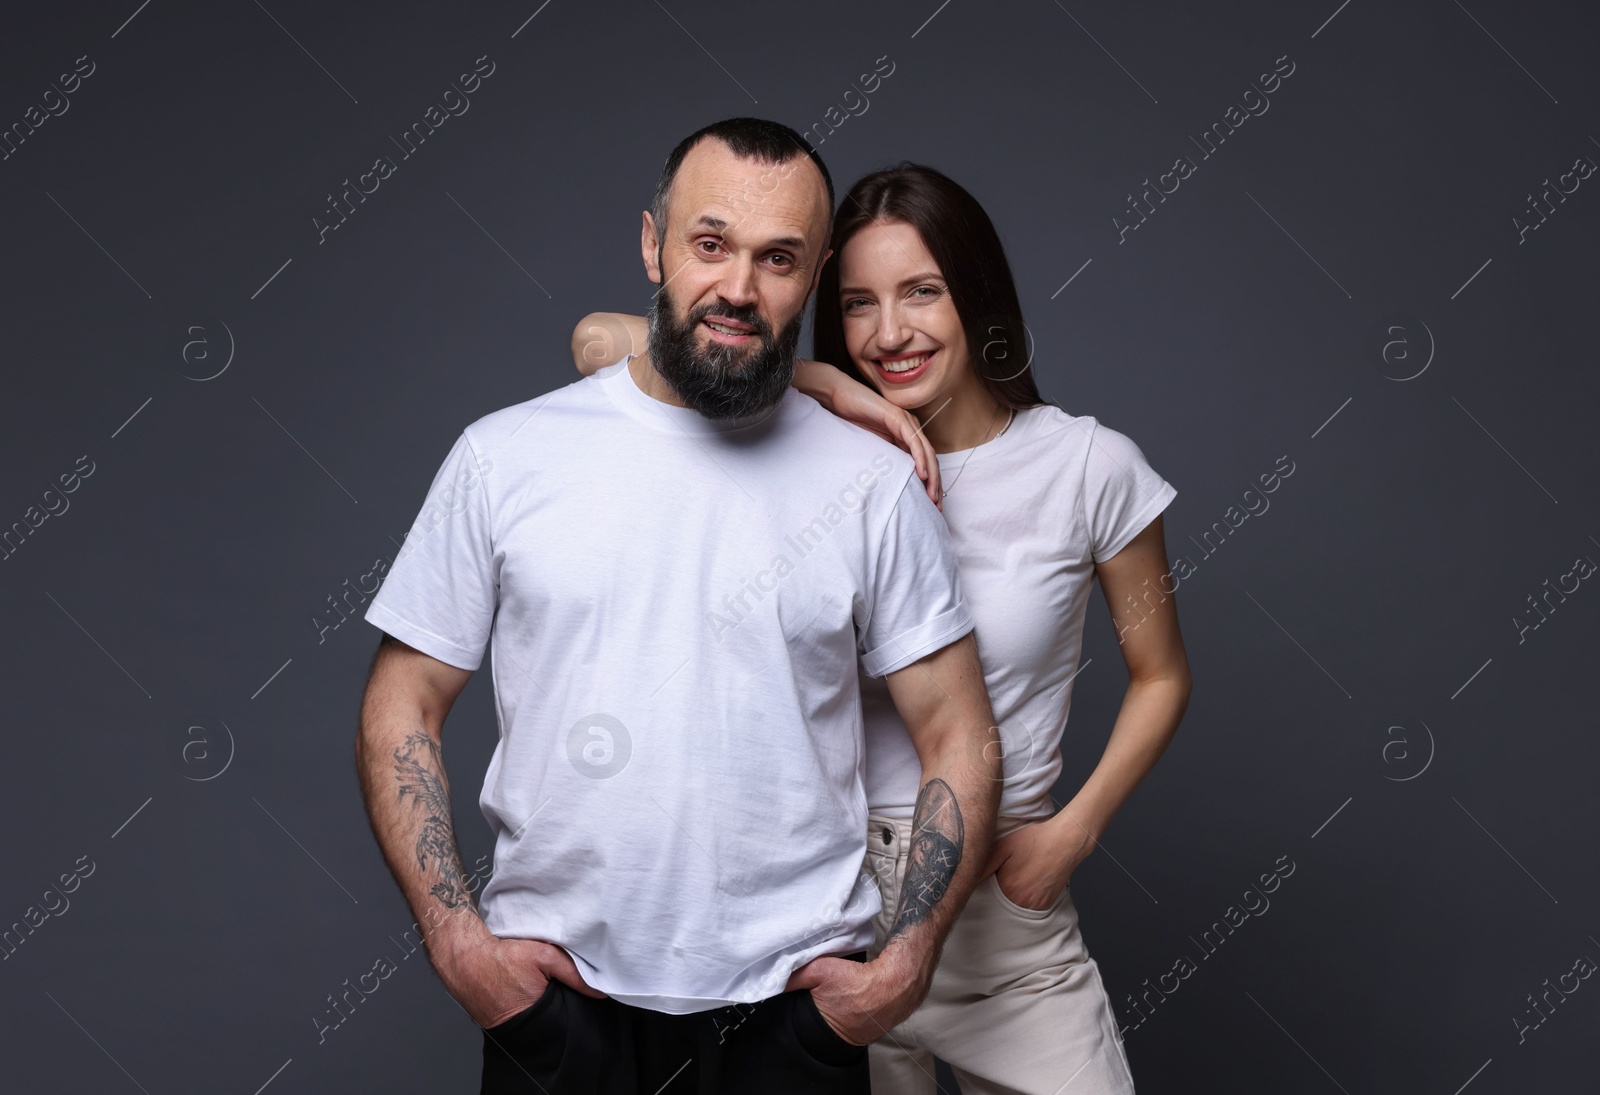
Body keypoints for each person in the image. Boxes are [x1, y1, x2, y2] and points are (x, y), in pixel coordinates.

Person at [355, 119, 1003, 1095]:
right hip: (557, 1016)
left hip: (797, 1027)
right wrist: (457, 942)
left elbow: (961, 731)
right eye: (711, 244)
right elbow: (401, 703)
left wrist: (900, 970)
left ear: (813, 274)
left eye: (778, 259)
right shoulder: (504, 458)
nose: (739, 286)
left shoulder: (871, 485)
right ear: (653, 244)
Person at [572, 162, 1192, 1094]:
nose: (890, 332)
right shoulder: (813, 447)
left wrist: (1075, 831)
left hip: (996, 904)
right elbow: (597, 341)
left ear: (976, 294)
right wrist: (820, 383)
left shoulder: (1087, 466)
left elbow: (1161, 673)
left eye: (922, 292)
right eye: (857, 303)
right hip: (830, 911)